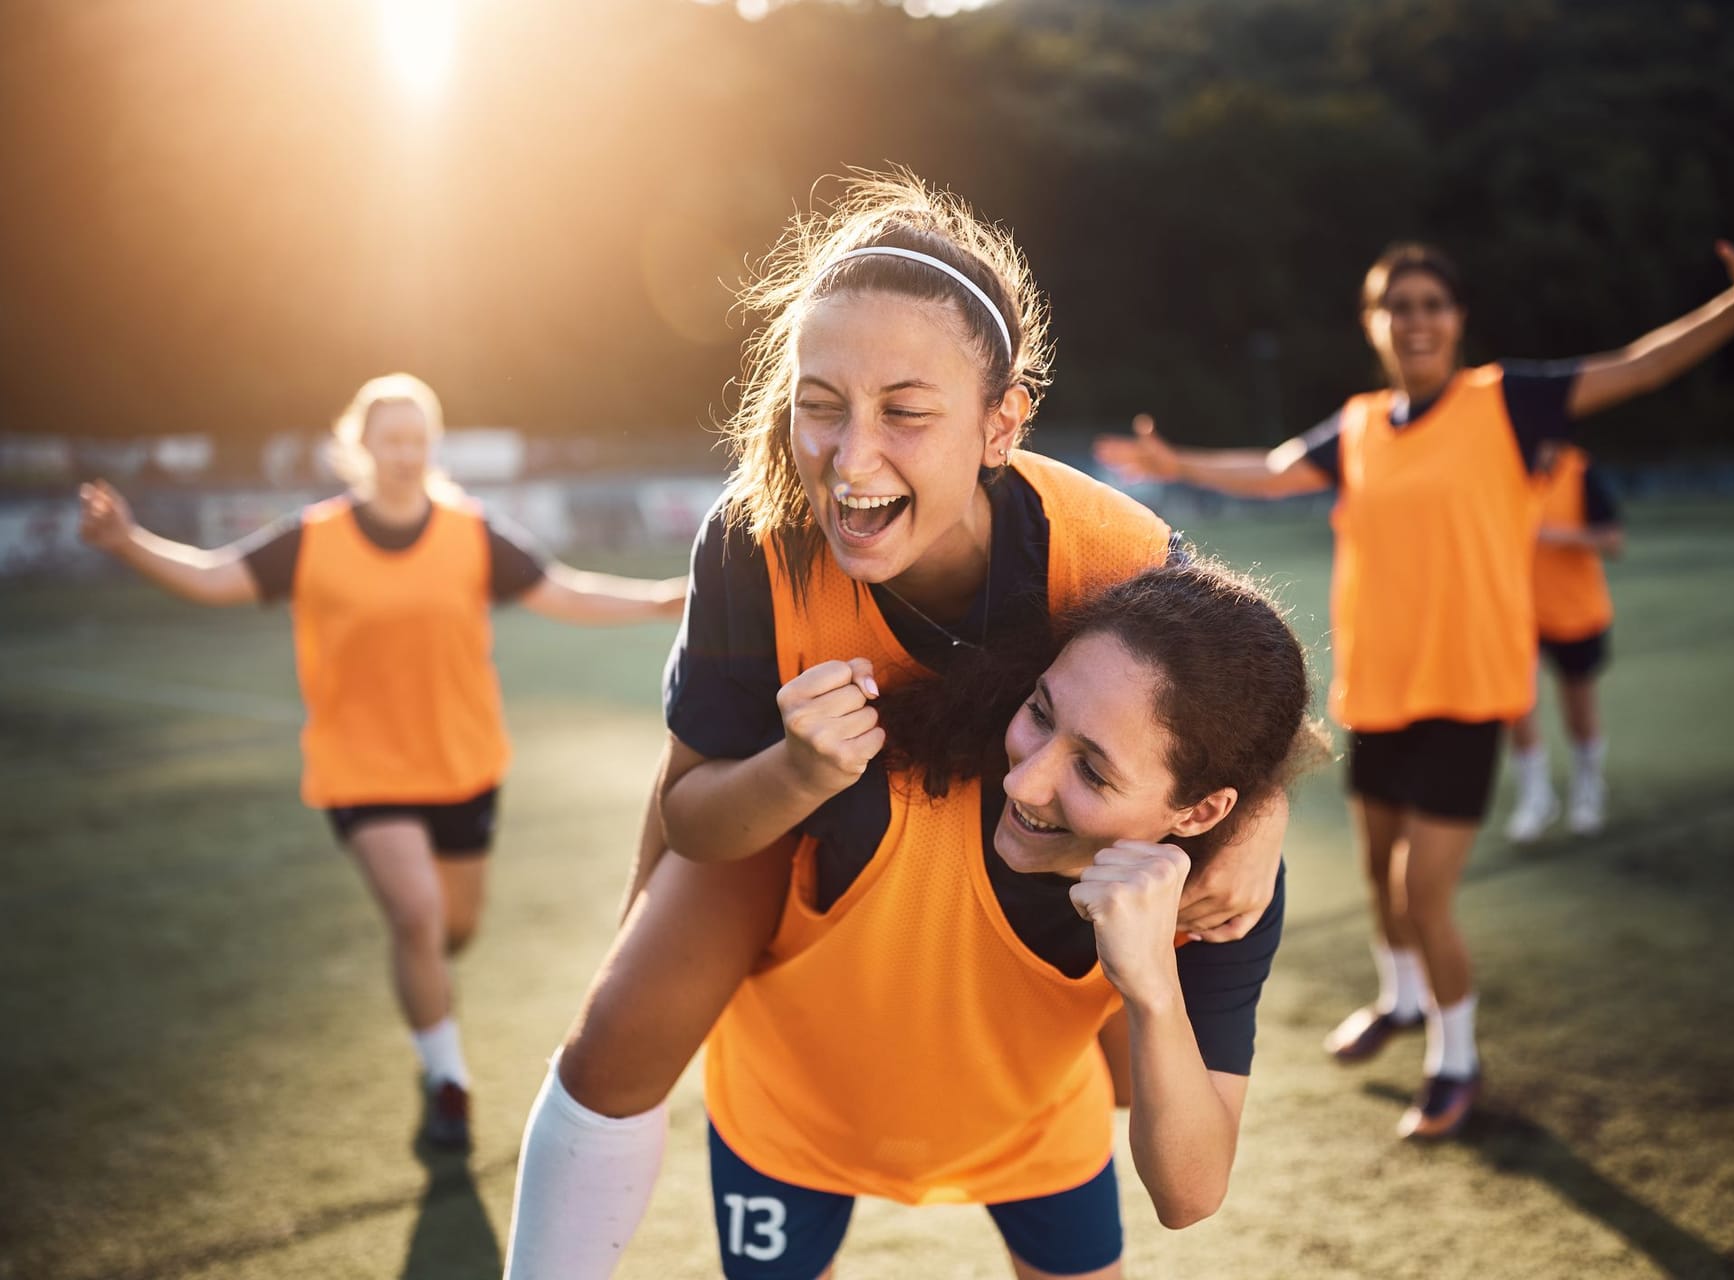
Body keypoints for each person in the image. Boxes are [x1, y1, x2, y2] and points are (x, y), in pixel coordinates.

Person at [502, 172, 1292, 1275]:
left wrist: (1258, 820)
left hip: (1037, 895)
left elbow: (1237, 697)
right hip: (814, 830)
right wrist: (789, 773)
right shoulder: (758, 536)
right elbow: (691, 808)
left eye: (907, 411)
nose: (848, 455)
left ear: (1001, 421)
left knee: (1154, 1007)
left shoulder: (1109, 548)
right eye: (819, 402)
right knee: (618, 1033)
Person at [1095, 234, 1734, 1139]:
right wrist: (1179, 466)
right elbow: (1279, 469)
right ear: (1375, 324)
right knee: (1376, 874)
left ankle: (1456, 1060)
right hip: (1379, 693)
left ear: (1457, 318)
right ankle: (1399, 999)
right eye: (1396, 306)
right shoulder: (1362, 425)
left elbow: (1639, 368)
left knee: (1420, 894)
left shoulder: (1505, 403)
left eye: (1431, 304)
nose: (1416, 321)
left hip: (1467, 695)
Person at [76, 373, 685, 1150]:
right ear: (360, 447)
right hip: (359, 770)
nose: (404, 454)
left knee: (451, 930)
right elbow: (214, 577)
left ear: (432, 446)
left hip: (462, 766)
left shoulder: (470, 533)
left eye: (417, 439)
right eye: (389, 439)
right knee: (418, 916)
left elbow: (561, 592)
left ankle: (423, 991)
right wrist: (127, 539)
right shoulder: (314, 537)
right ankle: (449, 1085)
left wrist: (664, 598)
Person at [697, 559, 1318, 1278]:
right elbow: (698, 824)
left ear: (1201, 811)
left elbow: (1191, 1194)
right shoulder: (885, 775)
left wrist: (1152, 987)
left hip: (1035, 1129)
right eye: (1041, 713)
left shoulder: (1219, 896)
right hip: (787, 1115)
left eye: (1093, 771)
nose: (1026, 779)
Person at [1505, 443, 1624, 842]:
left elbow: (1613, 541)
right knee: (1517, 705)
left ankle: (1588, 789)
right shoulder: (1505, 469)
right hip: (1519, 613)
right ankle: (1536, 796)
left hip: (1576, 612)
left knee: (1578, 705)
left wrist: (1555, 535)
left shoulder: (1580, 472)